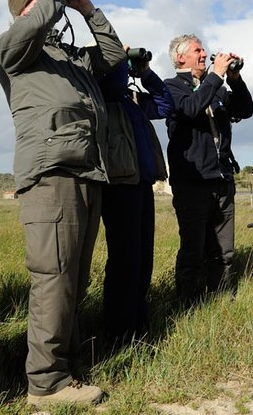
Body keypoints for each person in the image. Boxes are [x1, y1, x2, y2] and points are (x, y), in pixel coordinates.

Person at [0, 0, 126, 407]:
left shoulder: (71, 61)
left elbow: (112, 55)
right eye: (45, 1)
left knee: (74, 279)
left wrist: (85, 6)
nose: (56, 3)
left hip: (87, 173)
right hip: (49, 175)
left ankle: (64, 369)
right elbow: (25, 32)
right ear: (27, 10)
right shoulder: (15, 50)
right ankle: (45, 383)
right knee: (53, 278)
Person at [164, 34, 253, 306]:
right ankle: (188, 306)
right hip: (192, 181)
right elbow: (190, 109)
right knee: (193, 251)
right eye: (197, 50)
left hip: (222, 178)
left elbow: (245, 110)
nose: (204, 54)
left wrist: (235, 80)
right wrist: (216, 76)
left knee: (224, 251)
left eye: (204, 50)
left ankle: (223, 302)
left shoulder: (213, 87)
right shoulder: (170, 87)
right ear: (181, 57)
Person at [99, 47, 174, 345]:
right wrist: (119, 55)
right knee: (125, 259)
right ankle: (118, 331)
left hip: (141, 182)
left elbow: (166, 105)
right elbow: (113, 82)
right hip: (118, 184)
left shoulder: (131, 101)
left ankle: (139, 325)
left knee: (142, 258)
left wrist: (146, 74)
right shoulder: (104, 94)